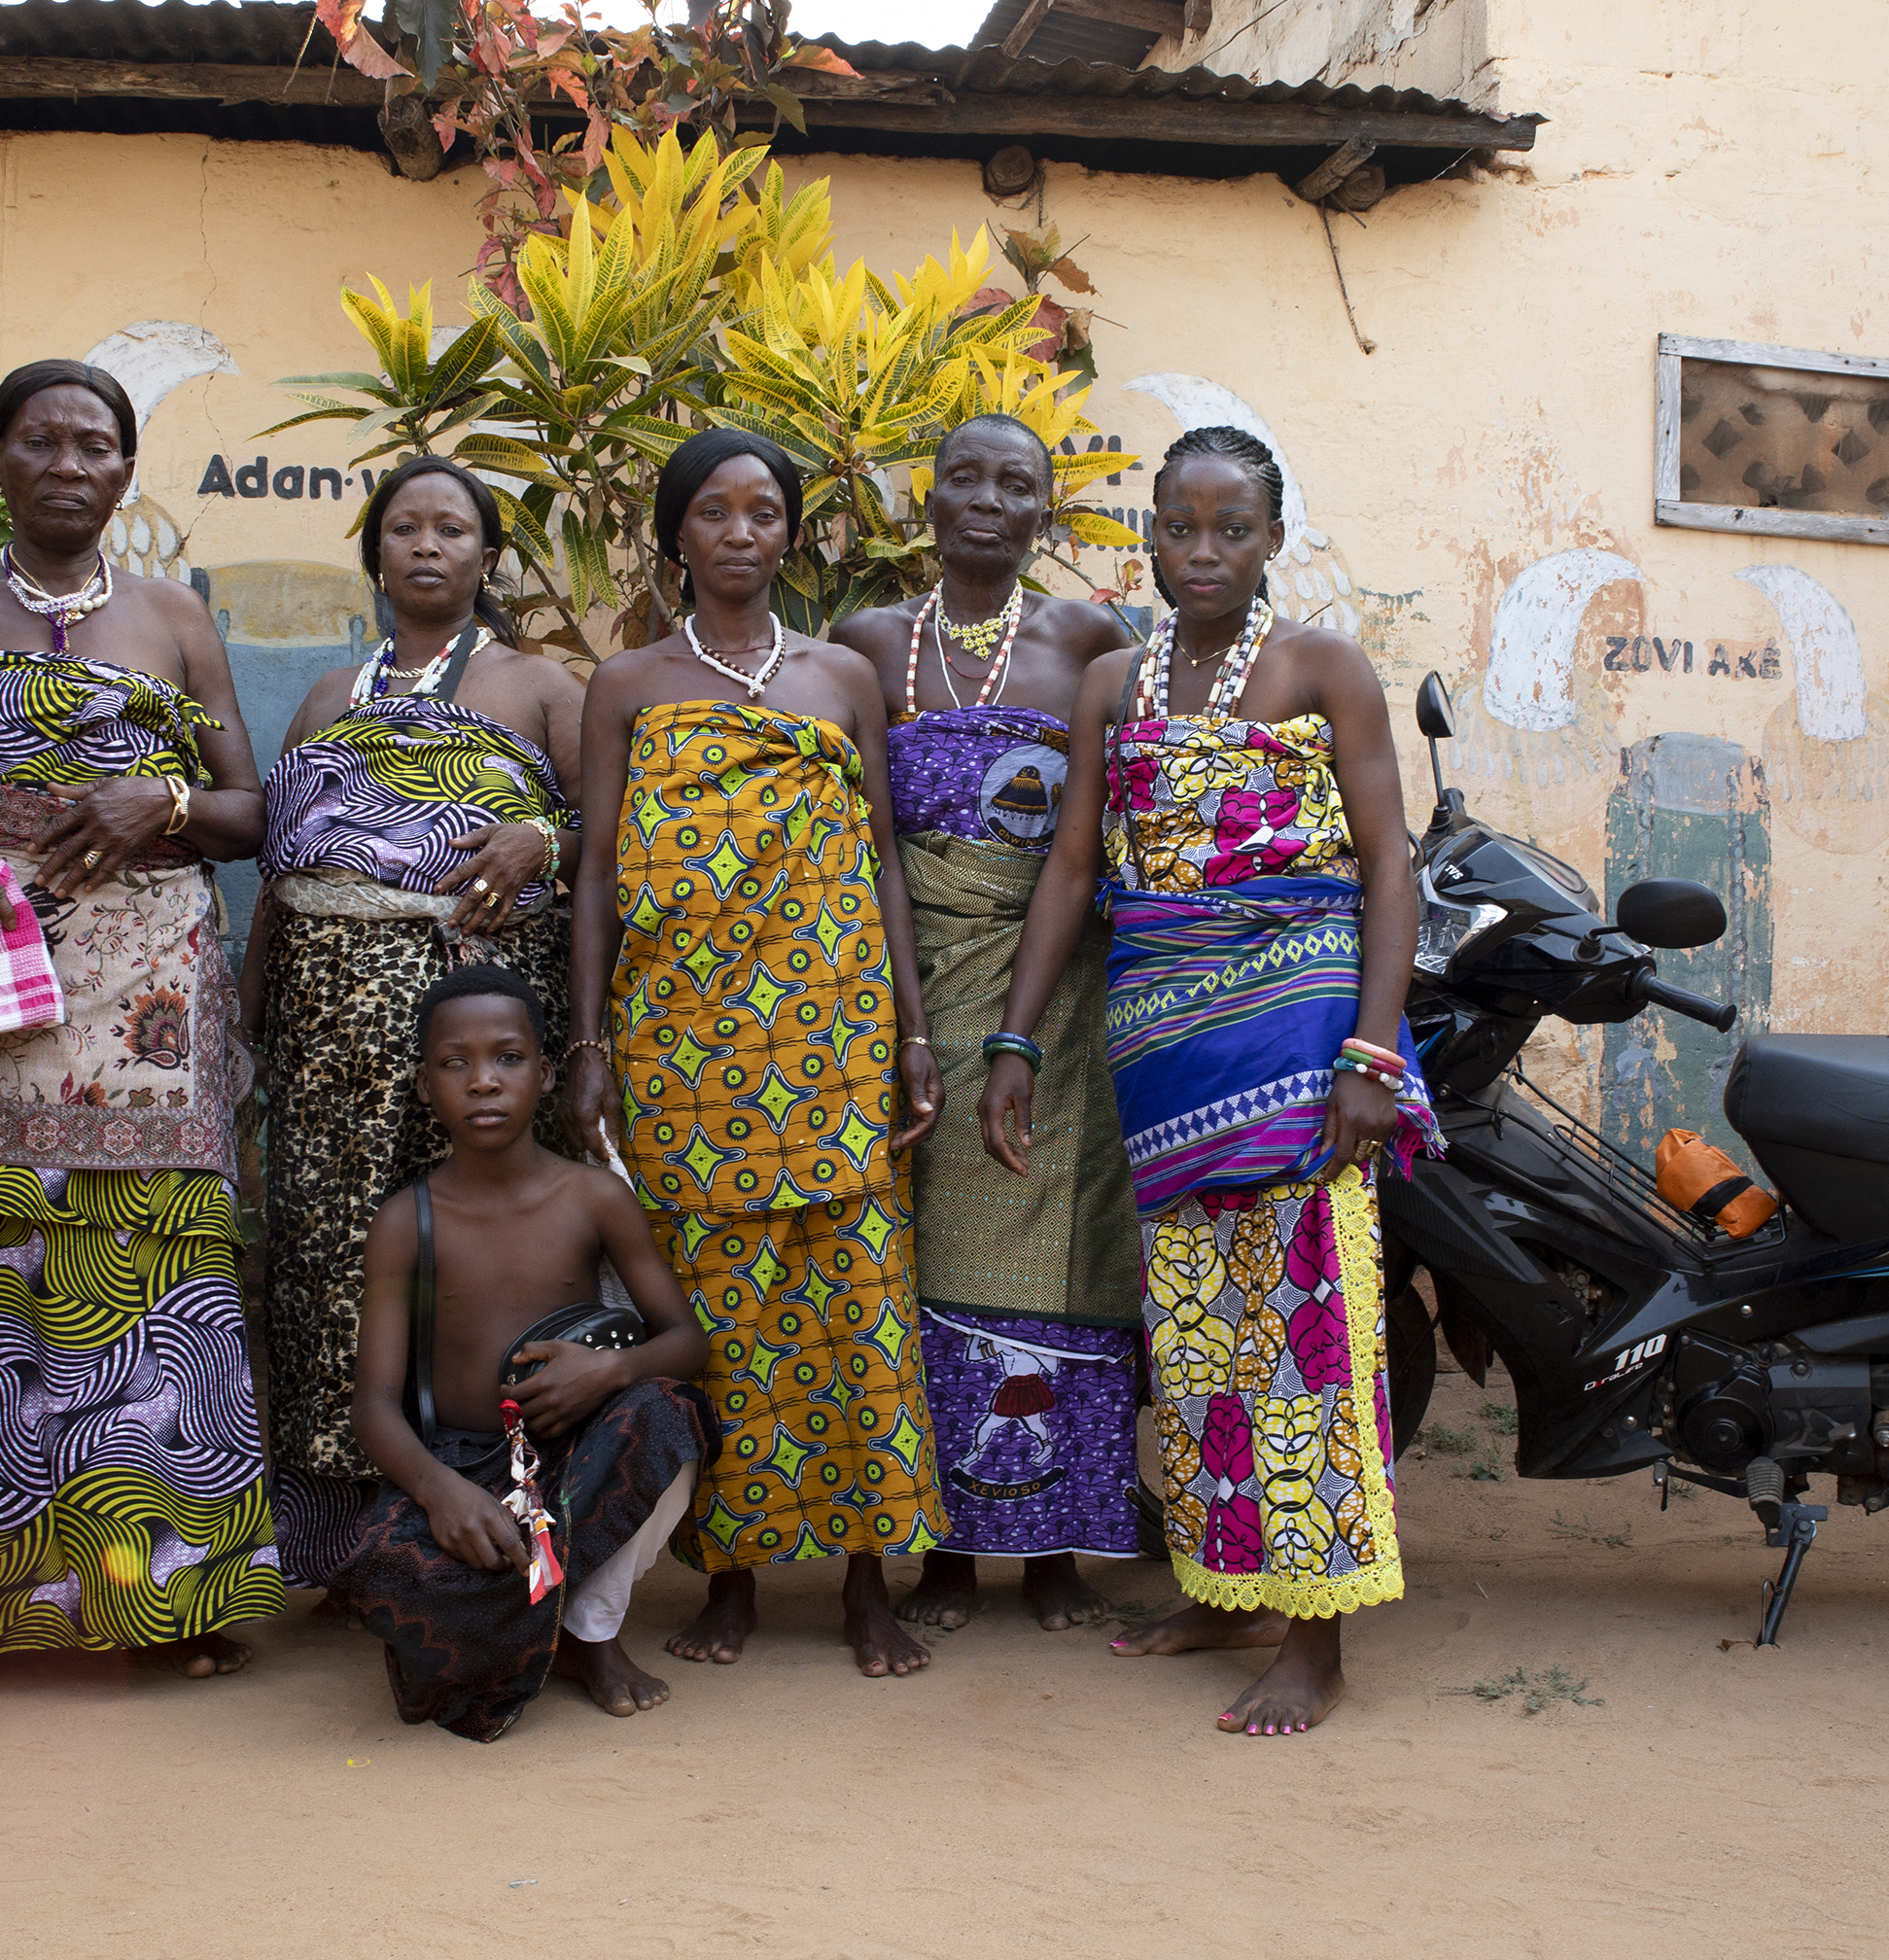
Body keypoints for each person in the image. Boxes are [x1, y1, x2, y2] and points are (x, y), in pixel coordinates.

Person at [980, 424, 1446, 1735]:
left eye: (1230, 529)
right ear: (1149, 539)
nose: (1202, 553)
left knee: (1304, 1340)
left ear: (1271, 541)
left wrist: (1370, 1050)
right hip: (1162, 1055)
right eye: (1178, 529)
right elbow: (1074, 869)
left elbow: (1386, 863)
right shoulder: (1116, 682)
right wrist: (1015, 1037)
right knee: (1194, 1343)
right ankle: (1228, 1582)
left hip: (1295, 1042)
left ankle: (1318, 1641)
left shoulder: (1322, 668)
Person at [0, 359, 286, 1698]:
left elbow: (253, 812)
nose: (67, 462)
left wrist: (152, 802)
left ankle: (166, 1600)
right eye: (37, 440)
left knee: (150, 1301)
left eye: (94, 443)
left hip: (144, 1007)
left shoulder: (173, 617)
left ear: (123, 469)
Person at [565, 427, 951, 1678]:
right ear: (676, 535)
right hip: (680, 1040)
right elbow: (595, 876)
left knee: (858, 1306)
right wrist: (589, 1042)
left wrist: (911, 1027)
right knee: (717, 1311)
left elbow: (884, 856)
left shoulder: (841, 676)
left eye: (766, 511)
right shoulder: (624, 683)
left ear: (793, 534)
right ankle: (725, 1573)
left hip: (831, 1033)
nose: (743, 530)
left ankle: (865, 1581)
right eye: (716, 511)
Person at [244, 455, 583, 1590]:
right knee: (332, 1272)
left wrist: (552, 840)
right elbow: (284, 872)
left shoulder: (539, 687)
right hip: (328, 1041)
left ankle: (495, 1525)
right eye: (403, 527)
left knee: (471, 1273)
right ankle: (347, 1551)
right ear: (376, 553)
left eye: (452, 528)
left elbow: (618, 837)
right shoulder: (329, 696)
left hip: (479, 1036)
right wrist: (250, 1031)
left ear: (489, 555)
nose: (426, 544)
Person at [831, 414, 1141, 1633]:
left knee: (1069, 1257)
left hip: (1063, 992)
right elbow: (857, 842)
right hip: (917, 988)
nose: (986, 500)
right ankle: (951, 1548)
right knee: (933, 1264)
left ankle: (1057, 1538)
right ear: (930, 496)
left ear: (1045, 510)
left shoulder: (1094, 641)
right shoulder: (867, 643)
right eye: (963, 476)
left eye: (1016, 484)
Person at [331, 963, 713, 1739]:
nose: (482, 1082)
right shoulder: (408, 1221)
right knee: (383, 1569)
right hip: (467, 1467)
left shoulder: (593, 1198)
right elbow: (372, 1405)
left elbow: (687, 1341)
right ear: (424, 1085)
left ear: (544, 1076)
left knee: (670, 1417)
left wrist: (611, 1369)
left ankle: (586, 1636)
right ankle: (521, 1622)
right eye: (454, 1063)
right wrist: (441, 1494)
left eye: (506, 1058)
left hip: (577, 1461)